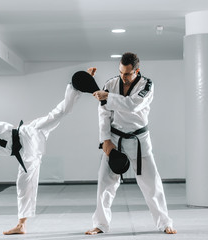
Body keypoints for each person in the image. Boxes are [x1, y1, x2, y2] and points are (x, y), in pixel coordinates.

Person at [0, 82, 81, 235]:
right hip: (25, 152)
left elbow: (8, 131)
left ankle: (75, 86)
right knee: (23, 186)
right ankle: (21, 225)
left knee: (57, 114)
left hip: (28, 134)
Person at [85, 52, 177, 235]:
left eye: (127, 74)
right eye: (120, 72)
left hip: (139, 141)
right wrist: (105, 140)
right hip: (115, 140)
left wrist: (108, 97)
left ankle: (164, 223)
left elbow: (133, 105)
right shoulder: (110, 84)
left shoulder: (147, 85)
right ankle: (100, 224)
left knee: (152, 184)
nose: (123, 77)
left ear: (137, 71)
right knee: (105, 183)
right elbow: (103, 114)